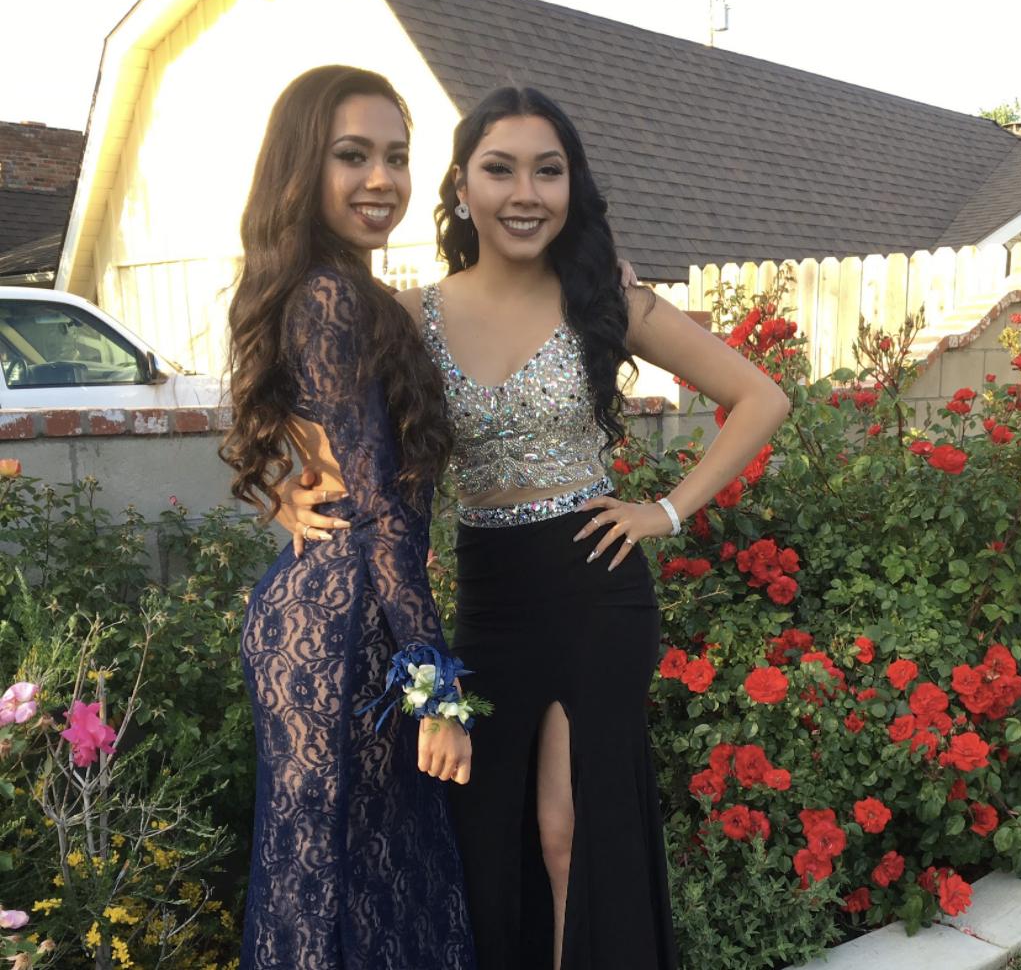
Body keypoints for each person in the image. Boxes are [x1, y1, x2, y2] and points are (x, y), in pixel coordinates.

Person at [281, 86, 790, 970]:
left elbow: (762, 398)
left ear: (570, 187)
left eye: (547, 172)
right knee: (490, 833)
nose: (526, 193)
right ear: (462, 187)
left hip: (597, 586)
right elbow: (317, 421)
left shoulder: (605, 301)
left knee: (567, 830)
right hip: (491, 597)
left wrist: (665, 510)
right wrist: (288, 490)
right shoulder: (410, 315)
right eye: (500, 170)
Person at [219, 65, 477, 970]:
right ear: (303, 167)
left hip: (331, 616)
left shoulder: (337, 292)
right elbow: (382, 515)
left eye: (397, 158)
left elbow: (332, 466)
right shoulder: (330, 297)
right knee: (348, 892)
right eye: (353, 155)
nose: (382, 179)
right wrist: (438, 695)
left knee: (339, 883)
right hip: (346, 630)